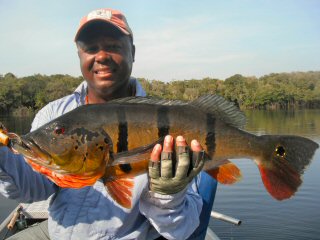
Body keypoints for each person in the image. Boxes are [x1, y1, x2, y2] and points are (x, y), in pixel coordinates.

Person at [0, 8, 215, 240]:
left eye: (113, 45)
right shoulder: (54, 113)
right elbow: (33, 187)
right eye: (91, 49)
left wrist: (168, 194)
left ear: (132, 52)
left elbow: (181, 229)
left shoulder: (172, 122)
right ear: (80, 57)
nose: (101, 56)